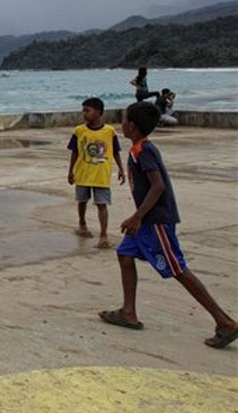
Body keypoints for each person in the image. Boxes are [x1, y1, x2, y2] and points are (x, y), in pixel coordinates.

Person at [98, 101, 238, 349]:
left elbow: (158, 186)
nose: (122, 123)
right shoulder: (137, 149)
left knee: (178, 270)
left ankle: (225, 322)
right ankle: (128, 312)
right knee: (124, 253)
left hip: (156, 222)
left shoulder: (145, 151)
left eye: (124, 119)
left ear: (132, 125)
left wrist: (137, 217)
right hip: (146, 221)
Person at [67, 97, 125, 249]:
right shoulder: (79, 131)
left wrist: (121, 169)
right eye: (83, 110)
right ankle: (82, 224)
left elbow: (116, 152)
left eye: (87, 110)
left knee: (102, 204)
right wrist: (70, 171)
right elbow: (74, 152)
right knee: (82, 201)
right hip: (83, 174)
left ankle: (103, 235)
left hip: (101, 175)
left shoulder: (109, 131)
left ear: (98, 112)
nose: (84, 114)